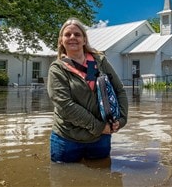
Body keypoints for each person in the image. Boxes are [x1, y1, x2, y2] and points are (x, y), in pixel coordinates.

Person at [47, 17, 128, 163]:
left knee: (103, 177)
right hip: (67, 139)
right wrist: (98, 127)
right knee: (63, 178)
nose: (73, 37)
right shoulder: (57, 69)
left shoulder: (98, 62)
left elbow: (119, 90)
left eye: (77, 34)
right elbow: (66, 106)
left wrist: (121, 119)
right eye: (67, 35)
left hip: (100, 139)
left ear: (84, 40)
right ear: (61, 41)